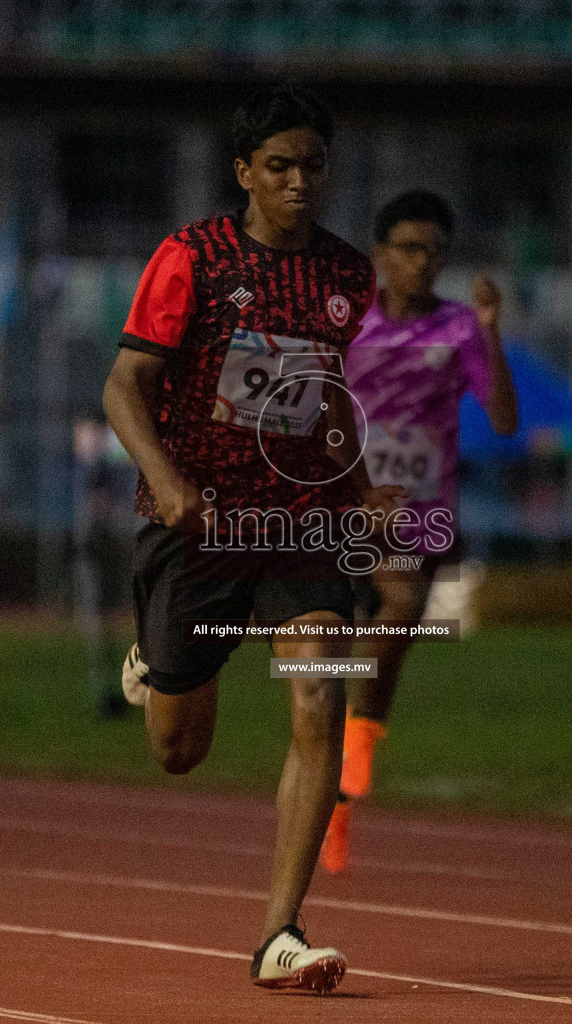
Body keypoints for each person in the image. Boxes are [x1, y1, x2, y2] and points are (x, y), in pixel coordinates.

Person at [103, 82, 403, 993]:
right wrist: (165, 479)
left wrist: (361, 487)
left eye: (314, 165)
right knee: (178, 750)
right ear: (245, 173)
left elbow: (328, 408)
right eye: (280, 167)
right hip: (195, 523)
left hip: (299, 526)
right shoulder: (191, 258)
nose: (301, 182)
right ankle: (154, 659)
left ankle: (281, 933)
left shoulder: (350, 279)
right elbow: (124, 386)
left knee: (319, 698)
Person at [320, 190, 519, 874]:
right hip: (343, 503)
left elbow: (501, 417)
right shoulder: (344, 324)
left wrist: (491, 327)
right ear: (379, 256)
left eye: (436, 251)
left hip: (420, 511)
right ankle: (337, 778)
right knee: (334, 645)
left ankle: (351, 768)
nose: (425, 263)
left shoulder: (460, 328)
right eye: (410, 249)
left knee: (399, 616)